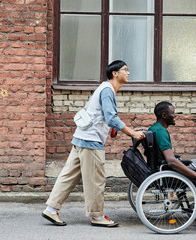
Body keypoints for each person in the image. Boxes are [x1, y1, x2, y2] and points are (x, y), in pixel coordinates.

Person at [42, 60, 145, 227]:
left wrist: (112, 129)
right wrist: (132, 133)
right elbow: (111, 117)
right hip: (91, 141)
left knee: (68, 176)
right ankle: (97, 216)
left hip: (81, 138)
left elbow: (104, 117)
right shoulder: (107, 90)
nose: (128, 73)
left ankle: (51, 210)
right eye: (125, 70)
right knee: (96, 181)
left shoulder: (106, 89)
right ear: (115, 73)